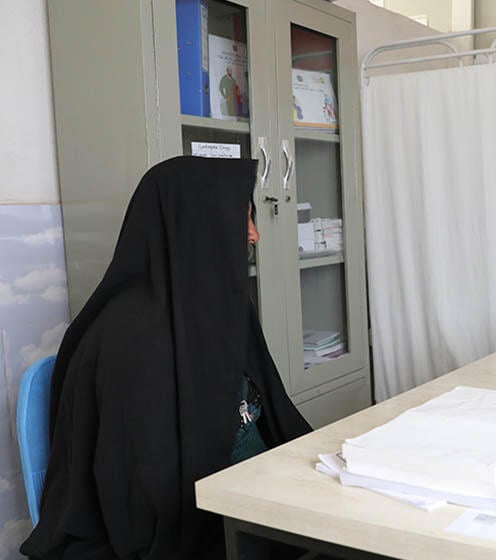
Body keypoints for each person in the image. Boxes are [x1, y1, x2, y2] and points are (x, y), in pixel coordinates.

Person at [21, 157, 312, 559]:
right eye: (241, 219)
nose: (254, 235)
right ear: (195, 224)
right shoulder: (128, 339)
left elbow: (276, 415)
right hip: (202, 525)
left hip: (256, 494)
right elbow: (142, 501)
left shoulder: (216, 304)